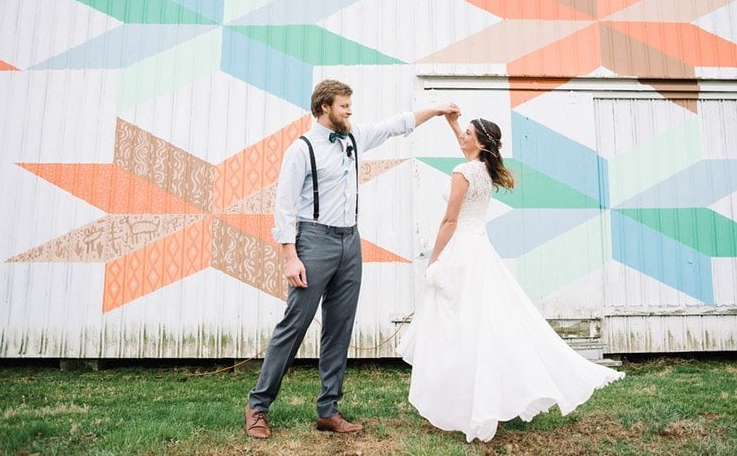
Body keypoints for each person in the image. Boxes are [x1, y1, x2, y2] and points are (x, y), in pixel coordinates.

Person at [245, 79, 460, 439]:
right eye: (344, 106)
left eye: (350, 105)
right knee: (294, 326)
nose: (350, 111)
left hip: (349, 241)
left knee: (339, 326)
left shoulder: (353, 137)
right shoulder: (301, 149)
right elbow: (284, 207)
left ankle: (328, 409)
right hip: (313, 240)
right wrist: (289, 256)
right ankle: (258, 406)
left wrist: (436, 111)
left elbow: (396, 125)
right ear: (324, 108)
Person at [397, 112, 624, 443]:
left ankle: (466, 404)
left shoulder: (464, 172)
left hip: (461, 252)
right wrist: (452, 123)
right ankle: (472, 400)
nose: (463, 136)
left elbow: (449, 221)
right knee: (476, 325)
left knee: (458, 327)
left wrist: (433, 262)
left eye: (468, 133)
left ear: (481, 141)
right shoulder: (483, 169)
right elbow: (469, 149)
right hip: (478, 250)